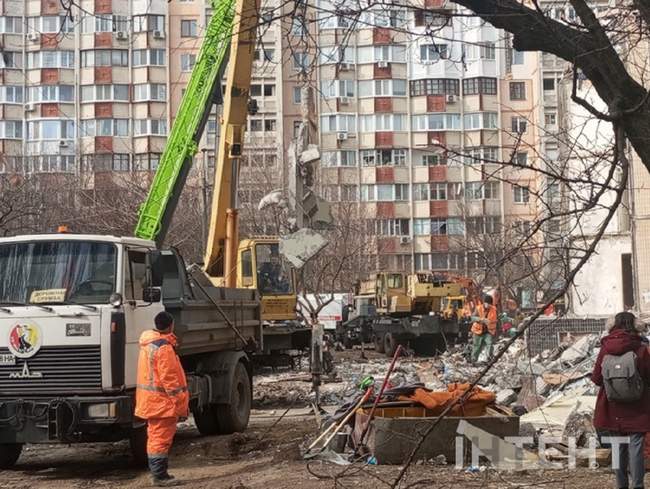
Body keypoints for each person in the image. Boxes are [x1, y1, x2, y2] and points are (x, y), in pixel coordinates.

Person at [591, 311, 650, 489]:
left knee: (618, 447)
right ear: (635, 326)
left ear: (613, 326)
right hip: (638, 407)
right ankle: (638, 485)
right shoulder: (640, 348)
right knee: (636, 447)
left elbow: (596, 378)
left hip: (611, 407)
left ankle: (621, 485)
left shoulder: (605, 348)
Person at [135, 311, 189, 487]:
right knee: (160, 439)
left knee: (155, 437)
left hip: (151, 401)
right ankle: (159, 476)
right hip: (161, 403)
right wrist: (180, 405)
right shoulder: (163, 348)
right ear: (170, 326)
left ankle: (159, 473)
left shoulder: (148, 344)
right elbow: (170, 381)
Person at [470, 295, 497, 363]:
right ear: (484, 303)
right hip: (477, 331)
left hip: (488, 331)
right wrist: (481, 320)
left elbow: (496, 320)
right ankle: (473, 360)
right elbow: (472, 318)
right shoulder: (478, 308)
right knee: (477, 347)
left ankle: (489, 360)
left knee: (489, 344)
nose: (488, 305)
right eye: (487, 303)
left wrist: (490, 322)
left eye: (490, 304)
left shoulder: (494, 309)